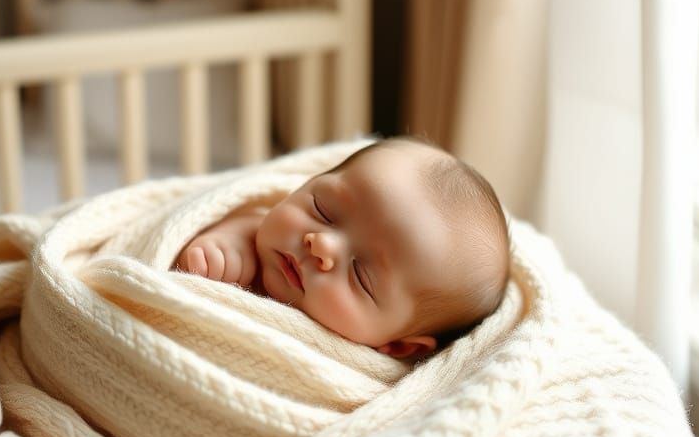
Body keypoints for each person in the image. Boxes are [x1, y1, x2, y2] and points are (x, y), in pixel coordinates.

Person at [174, 137, 510, 358]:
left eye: (361, 274)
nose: (321, 244)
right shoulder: (252, 235)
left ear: (395, 345)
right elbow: (247, 219)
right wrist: (227, 240)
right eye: (323, 210)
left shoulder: (369, 382)